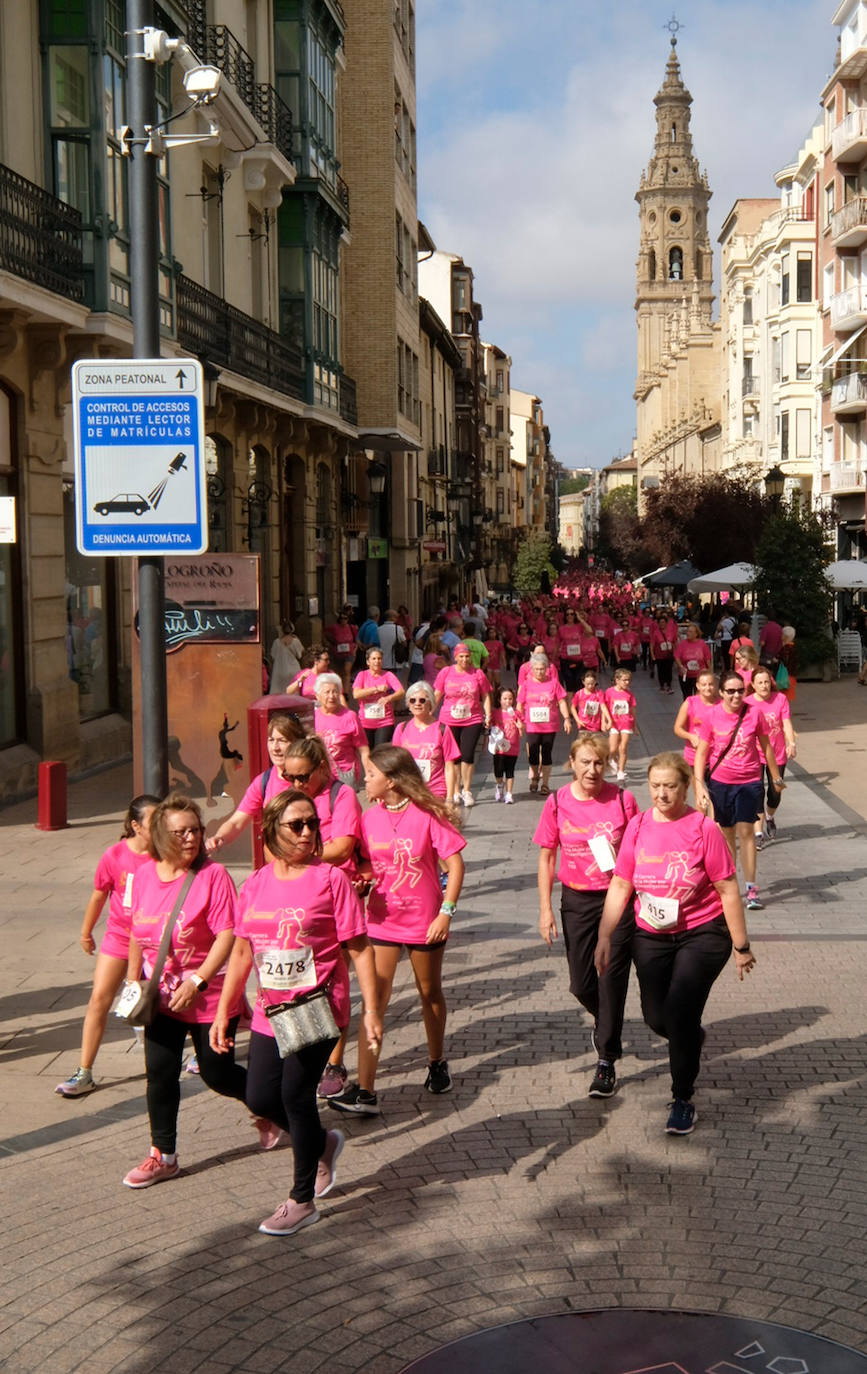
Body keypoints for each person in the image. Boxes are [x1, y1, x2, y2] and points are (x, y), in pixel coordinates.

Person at [210, 790, 382, 1236]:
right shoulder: (255, 884)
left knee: (294, 1096)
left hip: (318, 1007)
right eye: (296, 825)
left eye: (312, 824)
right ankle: (321, 1144)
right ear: (271, 830)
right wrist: (223, 1012)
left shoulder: (331, 880)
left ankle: (301, 1199)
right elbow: (243, 952)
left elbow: (359, 949)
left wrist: (372, 1012)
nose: (308, 832)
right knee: (260, 1096)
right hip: (272, 1010)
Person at [595, 752, 757, 1136]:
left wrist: (741, 946)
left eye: (670, 786)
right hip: (651, 933)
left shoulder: (703, 828)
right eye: (655, 786)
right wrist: (604, 935)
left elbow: (726, 887)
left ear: (686, 787)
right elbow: (621, 883)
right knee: (656, 1017)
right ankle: (689, 1037)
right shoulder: (637, 827)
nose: (662, 794)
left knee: (681, 1011)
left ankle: (682, 1097)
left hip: (702, 932)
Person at [122, 795, 250, 1188]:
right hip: (161, 996)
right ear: (161, 835)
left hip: (208, 996)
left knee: (217, 1073)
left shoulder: (213, 876)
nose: (192, 838)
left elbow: (227, 934)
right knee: (159, 1074)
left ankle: (273, 1105)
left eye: (196, 830)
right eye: (181, 832)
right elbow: (136, 932)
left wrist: (199, 980)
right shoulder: (142, 876)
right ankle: (163, 1155)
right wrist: (132, 981)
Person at [331, 746, 465, 1114]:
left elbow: (455, 866)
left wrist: (446, 913)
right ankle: (367, 1091)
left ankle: (437, 1062)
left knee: (429, 993)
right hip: (381, 920)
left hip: (425, 920)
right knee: (374, 1002)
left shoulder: (427, 815)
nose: (365, 780)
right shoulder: (368, 818)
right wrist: (362, 882)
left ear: (390, 780)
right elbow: (365, 864)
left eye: (370, 774)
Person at [536, 734, 640, 1098]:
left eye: (599, 762)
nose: (592, 769)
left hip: (617, 898)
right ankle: (607, 1020)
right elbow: (548, 857)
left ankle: (606, 1061)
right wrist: (546, 908)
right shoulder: (557, 802)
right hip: (576, 900)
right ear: (572, 763)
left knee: (610, 977)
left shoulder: (623, 799)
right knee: (581, 983)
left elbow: (640, 846)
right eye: (585, 762)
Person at [55, 795, 160, 1097]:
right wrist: (86, 932)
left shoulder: (166, 855)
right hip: (119, 938)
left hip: (155, 941)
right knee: (99, 999)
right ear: (136, 826)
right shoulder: (114, 856)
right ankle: (84, 1072)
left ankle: (191, 1057)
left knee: (164, 1004)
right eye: (155, 822)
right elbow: (99, 895)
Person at [693, 671, 785, 912]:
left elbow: (766, 748)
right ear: (721, 693)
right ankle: (730, 886)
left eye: (740, 690)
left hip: (749, 781)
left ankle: (752, 888)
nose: (736, 695)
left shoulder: (754, 713)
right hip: (721, 783)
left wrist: (775, 777)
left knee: (746, 833)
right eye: (730, 691)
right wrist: (698, 784)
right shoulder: (711, 716)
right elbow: (702, 752)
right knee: (726, 836)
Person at [205, 712, 306, 856]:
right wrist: (218, 838)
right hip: (277, 864)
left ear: (297, 743)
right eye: (271, 740)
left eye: (282, 740)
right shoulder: (263, 782)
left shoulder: (310, 779)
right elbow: (236, 822)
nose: (275, 748)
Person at [433, 642, 493, 806]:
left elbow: (486, 695)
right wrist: (428, 714)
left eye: (467, 656)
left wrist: (488, 715)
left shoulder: (477, 673)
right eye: (461, 657)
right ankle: (456, 790)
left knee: (467, 755)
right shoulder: (446, 672)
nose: (465, 660)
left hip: (471, 719)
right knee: (453, 757)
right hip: (449, 720)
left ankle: (467, 790)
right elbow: (437, 694)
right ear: (455, 657)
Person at [749, 665, 797, 848]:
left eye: (766, 682)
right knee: (757, 792)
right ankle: (758, 833)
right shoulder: (747, 703)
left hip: (777, 754)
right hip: (754, 755)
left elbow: (786, 723)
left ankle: (770, 816)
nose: (764, 686)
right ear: (753, 685)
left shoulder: (781, 699)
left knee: (775, 792)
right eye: (759, 682)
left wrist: (791, 743)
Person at [516, 651, 572, 796]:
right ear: (532, 669)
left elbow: (561, 701)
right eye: (537, 669)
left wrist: (566, 718)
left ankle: (545, 783)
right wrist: (519, 721)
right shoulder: (526, 684)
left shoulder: (553, 683)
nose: (540, 672)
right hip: (532, 725)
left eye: (542, 669)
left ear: (547, 669)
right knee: (533, 752)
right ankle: (534, 776)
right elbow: (520, 704)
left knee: (547, 752)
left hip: (549, 725)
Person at [392, 680, 460, 798]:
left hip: (436, 793)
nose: (417, 704)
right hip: (409, 792)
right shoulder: (401, 728)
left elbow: (449, 767)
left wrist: (450, 798)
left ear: (430, 703)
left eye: (422, 700)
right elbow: (395, 763)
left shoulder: (442, 729)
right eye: (413, 700)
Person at [314, 672, 368, 786]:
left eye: (335, 691)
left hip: (344, 775)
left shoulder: (350, 716)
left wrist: (369, 776)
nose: (331, 696)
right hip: (319, 776)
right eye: (327, 692)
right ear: (317, 696)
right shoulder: (313, 717)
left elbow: (363, 750)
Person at [673, 669, 719, 797]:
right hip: (694, 756)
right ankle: (702, 817)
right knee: (700, 795)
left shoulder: (721, 704)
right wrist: (690, 736)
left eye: (710, 684)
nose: (707, 688)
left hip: (716, 757)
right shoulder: (690, 703)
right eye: (704, 684)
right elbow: (677, 728)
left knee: (716, 797)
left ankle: (715, 818)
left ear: (715, 685)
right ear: (698, 686)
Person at [352, 645, 404, 748]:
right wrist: (375, 688)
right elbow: (356, 694)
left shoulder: (388, 675)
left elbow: (401, 692)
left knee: (380, 752)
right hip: (365, 722)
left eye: (379, 658)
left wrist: (388, 698)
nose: (377, 661)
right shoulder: (362, 675)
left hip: (385, 721)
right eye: (374, 659)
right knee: (369, 753)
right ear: (368, 662)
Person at [489, 686, 522, 803]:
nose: (508, 701)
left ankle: (509, 794)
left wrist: (520, 727)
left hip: (513, 747)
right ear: (499, 700)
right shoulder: (495, 713)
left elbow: (522, 730)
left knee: (510, 771)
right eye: (505, 699)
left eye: (510, 699)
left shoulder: (516, 713)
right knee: (498, 771)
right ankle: (499, 786)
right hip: (499, 748)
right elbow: (489, 726)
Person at [604, 668, 637, 782]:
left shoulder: (629, 694)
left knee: (623, 748)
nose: (627, 683)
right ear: (617, 680)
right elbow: (605, 708)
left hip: (626, 722)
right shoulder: (609, 692)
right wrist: (605, 721)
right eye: (624, 680)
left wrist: (634, 725)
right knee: (612, 749)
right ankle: (613, 760)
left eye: (628, 680)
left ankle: (621, 771)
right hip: (614, 723)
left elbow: (632, 709)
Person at [673, 623, 712, 700]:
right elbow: (676, 656)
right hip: (686, 675)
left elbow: (707, 658)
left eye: (690, 632)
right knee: (687, 697)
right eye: (687, 631)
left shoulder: (702, 644)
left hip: (699, 676)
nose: (688, 633)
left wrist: (709, 672)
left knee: (699, 696)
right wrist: (680, 666)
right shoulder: (683, 644)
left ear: (696, 633)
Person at [324, 609, 357, 692]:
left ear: (348, 619)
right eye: (341, 618)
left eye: (345, 618)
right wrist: (329, 644)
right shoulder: (335, 628)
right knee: (338, 673)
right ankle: (339, 690)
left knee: (346, 671)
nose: (343, 620)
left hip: (349, 653)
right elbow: (324, 632)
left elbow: (356, 640)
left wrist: (354, 651)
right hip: (337, 654)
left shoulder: (352, 628)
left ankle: (345, 692)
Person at [572, 669, 613, 734]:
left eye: (592, 683)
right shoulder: (579, 694)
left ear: (595, 681)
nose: (590, 686)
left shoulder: (599, 693)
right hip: (583, 724)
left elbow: (603, 706)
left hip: (596, 725)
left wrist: (609, 720)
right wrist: (578, 720)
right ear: (583, 682)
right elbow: (572, 707)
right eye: (588, 684)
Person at [269, 620, 304, 695]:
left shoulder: (276, 642)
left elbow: (273, 656)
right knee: (294, 692)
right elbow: (300, 655)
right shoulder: (295, 641)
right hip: (294, 669)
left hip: (279, 670)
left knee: (279, 694)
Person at [650, 610, 676, 694]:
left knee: (668, 670)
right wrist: (653, 655)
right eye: (660, 622)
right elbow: (652, 645)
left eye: (663, 622)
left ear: (666, 623)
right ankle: (662, 685)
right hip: (659, 656)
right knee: (661, 671)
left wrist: (676, 653)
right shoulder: (656, 633)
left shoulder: (671, 632)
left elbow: (674, 642)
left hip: (669, 655)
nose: (662, 624)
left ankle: (669, 685)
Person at [378, 609, 408, 675]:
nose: (397, 619)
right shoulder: (398, 628)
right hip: (395, 663)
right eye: (396, 617)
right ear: (392, 618)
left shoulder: (379, 629)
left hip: (382, 662)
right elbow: (405, 644)